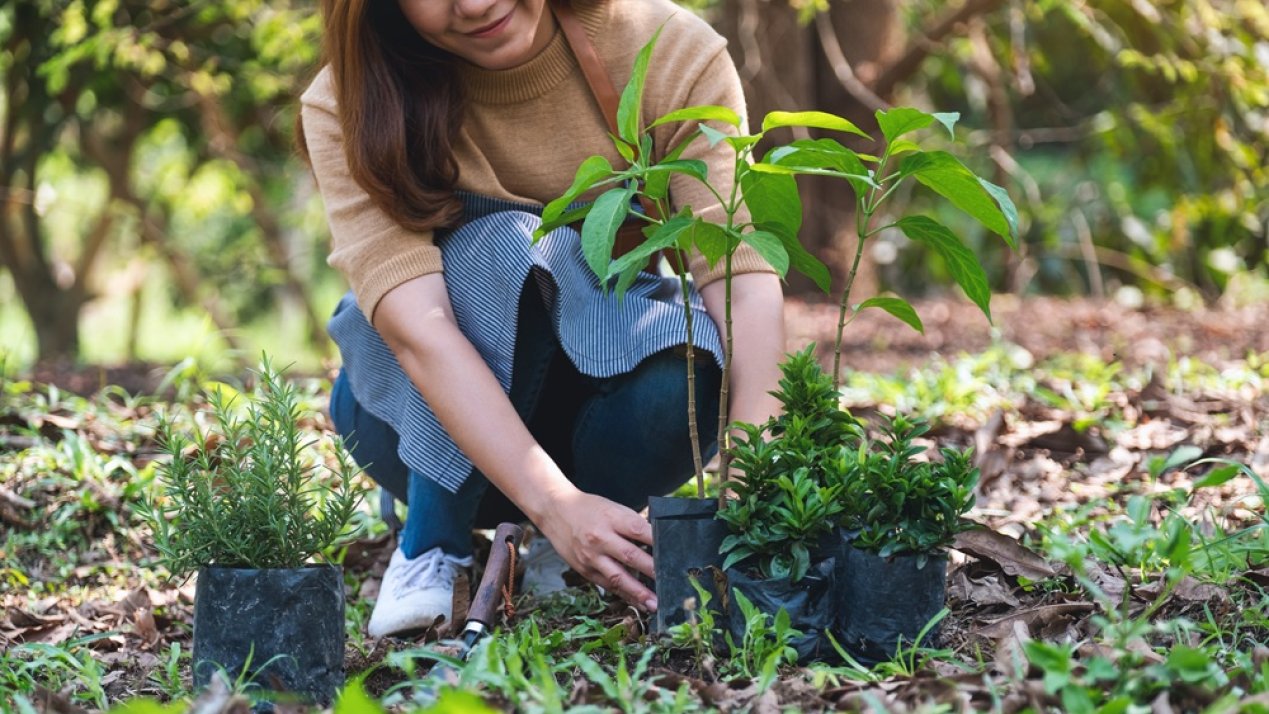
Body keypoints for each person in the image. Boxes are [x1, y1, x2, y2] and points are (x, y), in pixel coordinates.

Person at [298, 0, 786, 638]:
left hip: (597, 423)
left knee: (694, 365)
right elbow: (418, 330)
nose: (475, 5)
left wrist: (753, 489)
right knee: (507, 246)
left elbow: (741, 280)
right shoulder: (352, 99)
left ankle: (590, 530)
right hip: (406, 429)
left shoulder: (666, 50)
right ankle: (431, 544)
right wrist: (552, 503)